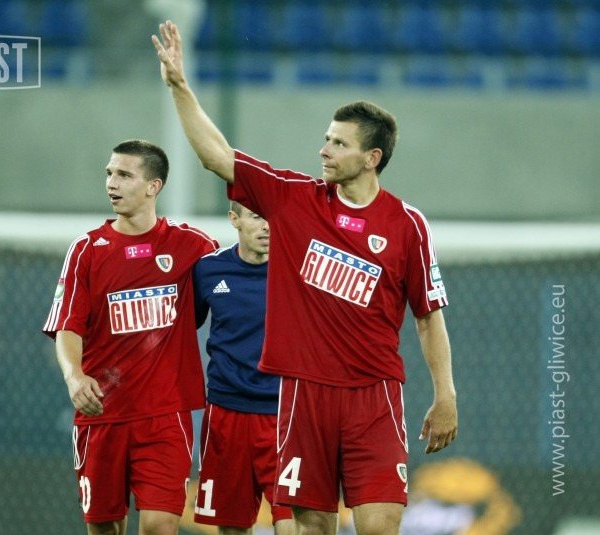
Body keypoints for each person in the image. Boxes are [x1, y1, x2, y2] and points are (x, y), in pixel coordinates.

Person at [153, 21, 458, 535]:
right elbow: (216, 156)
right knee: (312, 526)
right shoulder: (295, 200)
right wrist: (180, 86)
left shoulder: (407, 225)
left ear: (372, 158)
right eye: (326, 139)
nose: (324, 150)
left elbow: (429, 317)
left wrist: (445, 394)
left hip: (374, 396)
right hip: (303, 396)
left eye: (338, 143)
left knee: (381, 524)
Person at [42, 139, 218, 535]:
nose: (111, 183)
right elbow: (68, 326)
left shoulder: (193, 246)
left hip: (165, 415)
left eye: (124, 175)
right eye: (109, 173)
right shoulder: (87, 250)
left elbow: (227, 298)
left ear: (154, 186)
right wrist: (74, 377)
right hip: (102, 413)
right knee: (105, 527)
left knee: (160, 525)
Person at [192, 201, 295, 535]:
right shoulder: (208, 269)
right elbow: (185, 327)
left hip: (284, 415)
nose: (267, 226)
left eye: (272, 217)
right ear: (234, 219)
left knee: (293, 520)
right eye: (256, 217)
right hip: (226, 414)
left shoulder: (298, 269)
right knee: (231, 526)